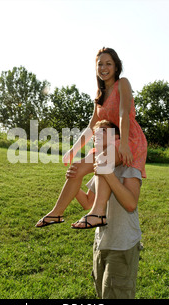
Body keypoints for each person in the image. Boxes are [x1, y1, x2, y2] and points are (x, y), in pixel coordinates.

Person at [35, 47, 147, 228]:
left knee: (104, 159)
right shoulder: (99, 94)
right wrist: (74, 149)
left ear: (116, 67)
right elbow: (91, 126)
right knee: (76, 168)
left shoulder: (123, 83)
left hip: (128, 139)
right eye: (100, 64)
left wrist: (125, 144)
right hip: (106, 141)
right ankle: (56, 213)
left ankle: (97, 213)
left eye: (108, 64)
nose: (104, 67)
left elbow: (123, 113)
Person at [67, 162, 143, 299]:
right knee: (102, 292)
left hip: (122, 244)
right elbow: (87, 202)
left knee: (116, 293)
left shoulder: (130, 168)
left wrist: (108, 174)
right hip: (101, 243)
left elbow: (131, 204)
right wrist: (73, 180)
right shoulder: (101, 166)